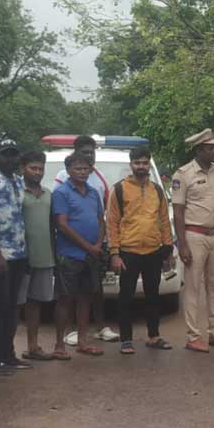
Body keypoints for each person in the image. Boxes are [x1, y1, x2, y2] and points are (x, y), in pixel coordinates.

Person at [172, 129, 214, 352]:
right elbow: (178, 212)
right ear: (199, 150)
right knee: (192, 287)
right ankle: (193, 336)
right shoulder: (183, 174)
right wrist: (182, 244)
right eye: (210, 148)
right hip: (194, 235)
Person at [107, 146, 176, 354]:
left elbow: (164, 220)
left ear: (149, 164)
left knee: (153, 296)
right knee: (126, 297)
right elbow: (112, 223)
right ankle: (126, 340)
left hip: (154, 251)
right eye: (137, 163)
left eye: (145, 163)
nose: (141, 167)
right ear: (131, 165)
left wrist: (168, 250)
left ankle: (154, 336)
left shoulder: (157, 190)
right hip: (128, 252)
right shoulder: (119, 189)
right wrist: (115, 253)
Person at [54, 135, 118, 344]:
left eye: (85, 168)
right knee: (66, 298)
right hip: (71, 253)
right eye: (77, 168)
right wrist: (88, 247)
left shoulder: (93, 189)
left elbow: (102, 219)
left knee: (88, 295)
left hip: (94, 251)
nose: (82, 171)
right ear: (69, 170)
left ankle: (84, 340)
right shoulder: (61, 188)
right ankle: (60, 342)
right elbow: (61, 224)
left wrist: (98, 245)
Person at [0, 141, 33, 373]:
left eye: (13, 155)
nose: (9, 159)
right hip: (1, 255)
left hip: (20, 253)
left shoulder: (18, 181)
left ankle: (9, 354)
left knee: (13, 307)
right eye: (5, 155)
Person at [18, 150, 59, 361]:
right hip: (20, 259)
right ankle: (6, 351)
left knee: (36, 303)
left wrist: (55, 254)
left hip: (44, 258)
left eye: (40, 169)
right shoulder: (16, 193)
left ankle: (33, 347)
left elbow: (52, 227)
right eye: (32, 168)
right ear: (22, 169)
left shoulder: (48, 194)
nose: (37, 172)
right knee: (16, 304)